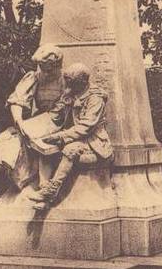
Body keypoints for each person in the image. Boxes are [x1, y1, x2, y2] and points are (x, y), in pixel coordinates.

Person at [0, 44, 64, 198]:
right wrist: (19, 120)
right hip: (38, 121)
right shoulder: (35, 76)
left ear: (55, 64)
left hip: (57, 122)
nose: (42, 70)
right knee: (6, 137)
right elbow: (17, 99)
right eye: (41, 66)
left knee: (27, 138)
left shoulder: (65, 80)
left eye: (46, 67)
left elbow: (66, 111)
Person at [27, 62, 113, 209]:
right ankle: (44, 193)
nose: (67, 84)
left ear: (82, 82)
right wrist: (34, 127)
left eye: (71, 82)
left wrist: (60, 136)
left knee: (70, 150)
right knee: (45, 146)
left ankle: (50, 192)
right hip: (70, 136)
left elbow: (86, 127)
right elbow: (55, 114)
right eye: (67, 81)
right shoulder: (70, 93)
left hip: (92, 141)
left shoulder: (95, 98)